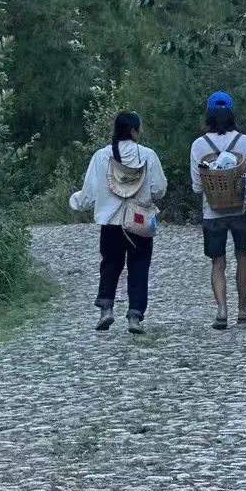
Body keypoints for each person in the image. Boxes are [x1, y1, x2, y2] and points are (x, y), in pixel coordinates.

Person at [69, 110, 167, 334]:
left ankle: (106, 309)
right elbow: (159, 189)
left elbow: (87, 195)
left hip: (111, 222)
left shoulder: (101, 156)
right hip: (139, 222)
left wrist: (74, 202)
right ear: (133, 131)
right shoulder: (148, 155)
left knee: (111, 264)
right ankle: (135, 316)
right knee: (139, 266)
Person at [190, 91, 246, 330]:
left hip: (213, 212)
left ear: (208, 115)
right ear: (232, 113)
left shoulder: (199, 145)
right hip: (241, 209)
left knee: (217, 262)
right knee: (242, 254)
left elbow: (197, 186)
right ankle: (243, 309)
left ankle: (221, 310)